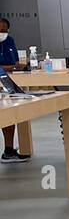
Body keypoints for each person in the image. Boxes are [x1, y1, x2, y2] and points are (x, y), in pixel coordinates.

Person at [0, 18, 31, 164]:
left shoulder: (9, 41)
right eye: (0, 30)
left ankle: (8, 150)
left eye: (5, 30)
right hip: (3, 81)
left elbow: (14, 61)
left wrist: (19, 66)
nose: (2, 33)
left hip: (9, 82)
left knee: (10, 114)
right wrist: (11, 67)